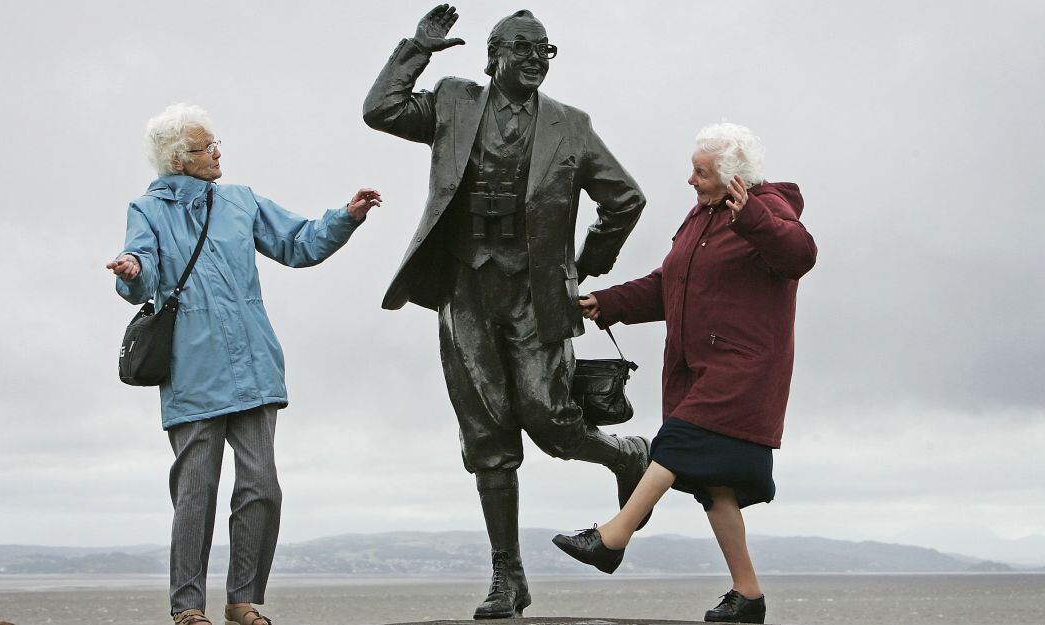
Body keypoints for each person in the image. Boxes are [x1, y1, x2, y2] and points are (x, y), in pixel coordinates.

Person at [363, 5, 649, 619]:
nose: (535, 60)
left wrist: (584, 266)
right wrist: (417, 47)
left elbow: (625, 198)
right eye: (523, 48)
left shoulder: (571, 126)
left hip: (532, 292)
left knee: (552, 421)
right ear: (494, 55)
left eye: (544, 50)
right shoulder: (453, 103)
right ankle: (507, 575)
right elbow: (380, 109)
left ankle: (626, 455)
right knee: (486, 436)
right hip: (464, 286)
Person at [107, 103, 381, 625]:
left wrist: (346, 217)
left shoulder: (241, 201)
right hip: (192, 370)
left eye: (216, 143)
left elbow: (298, 243)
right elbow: (140, 268)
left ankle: (243, 601)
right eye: (202, 147)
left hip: (255, 366)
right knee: (195, 495)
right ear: (176, 160)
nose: (216, 153)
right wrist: (131, 270)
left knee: (262, 487)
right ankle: (187, 608)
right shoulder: (147, 210)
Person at [552, 122, 817, 624]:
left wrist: (753, 217)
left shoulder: (768, 207)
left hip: (745, 368)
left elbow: (799, 255)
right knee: (716, 488)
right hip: (697, 368)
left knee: (674, 443)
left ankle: (613, 537)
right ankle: (748, 597)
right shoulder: (700, 218)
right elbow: (666, 286)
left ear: (733, 177)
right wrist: (604, 302)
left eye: (701, 171)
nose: (690, 180)